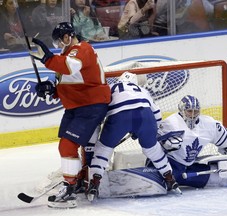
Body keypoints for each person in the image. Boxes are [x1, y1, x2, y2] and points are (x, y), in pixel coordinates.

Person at [29, 22, 111, 208]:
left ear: (68, 36)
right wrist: (50, 89)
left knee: (68, 145)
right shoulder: (65, 55)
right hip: (76, 107)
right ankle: (73, 183)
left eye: (59, 41)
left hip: (90, 106)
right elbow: (69, 81)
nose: (58, 45)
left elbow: (71, 67)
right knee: (65, 148)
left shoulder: (82, 48)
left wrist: (46, 59)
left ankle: (70, 189)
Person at [86, 71, 181, 202]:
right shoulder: (142, 90)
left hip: (119, 116)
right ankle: (170, 178)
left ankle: (94, 183)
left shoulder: (109, 88)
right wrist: (151, 132)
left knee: (103, 149)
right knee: (152, 149)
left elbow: (99, 113)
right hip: (145, 116)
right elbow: (157, 113)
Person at [147, 95, 227, 188]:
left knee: (224, 176)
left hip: (189, 167)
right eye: (189, 111)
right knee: (170, 177)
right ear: (181, 110)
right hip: (170, 166)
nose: (192, 115)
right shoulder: (170, 123)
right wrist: (165, 144)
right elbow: (151, 146)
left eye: (195, 111)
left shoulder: (209, 125)